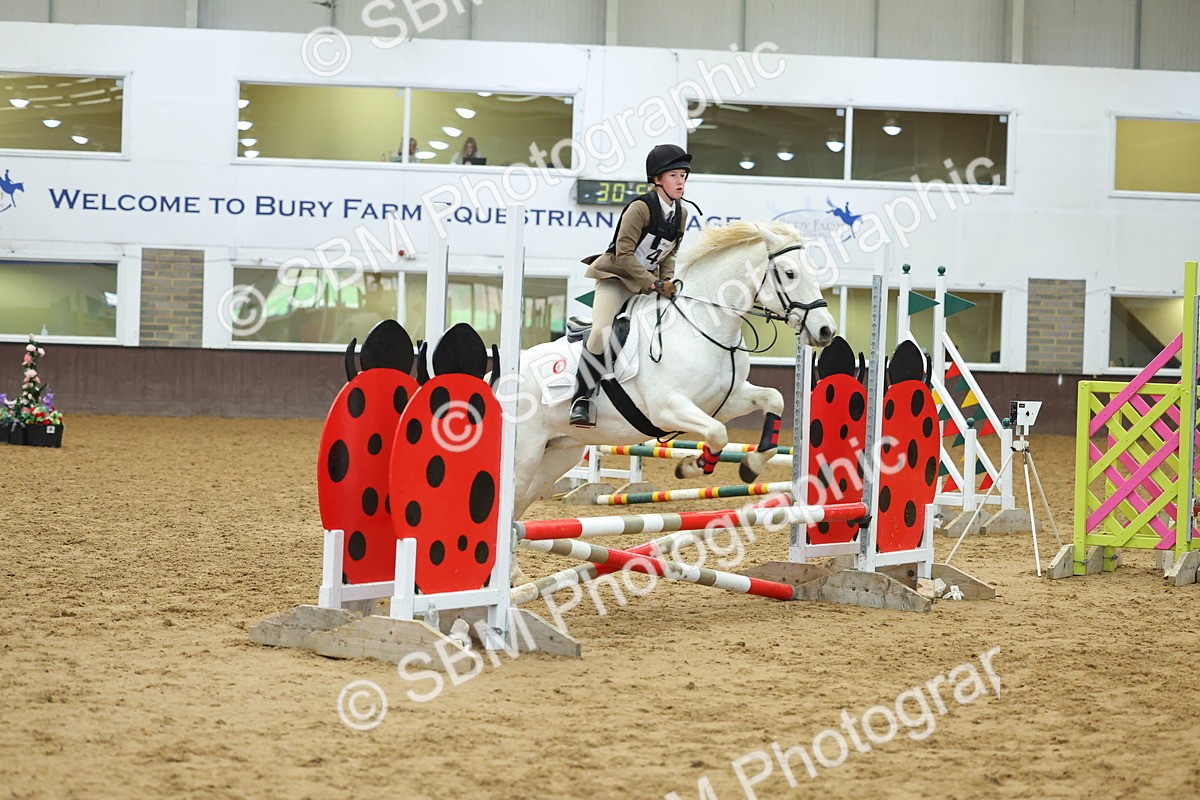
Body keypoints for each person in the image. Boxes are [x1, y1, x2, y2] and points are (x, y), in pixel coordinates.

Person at [569, 143, 691, 427]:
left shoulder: (681, 214)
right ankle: (581, 398)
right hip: (616, 279)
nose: (681, 181)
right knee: (600, 332)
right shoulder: (640, 208)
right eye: (674, 175)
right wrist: (655, 283)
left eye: (683, 176)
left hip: (649, 284)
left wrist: (668, 281)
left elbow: (669, 253)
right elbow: (623, 255)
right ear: (657, 179)